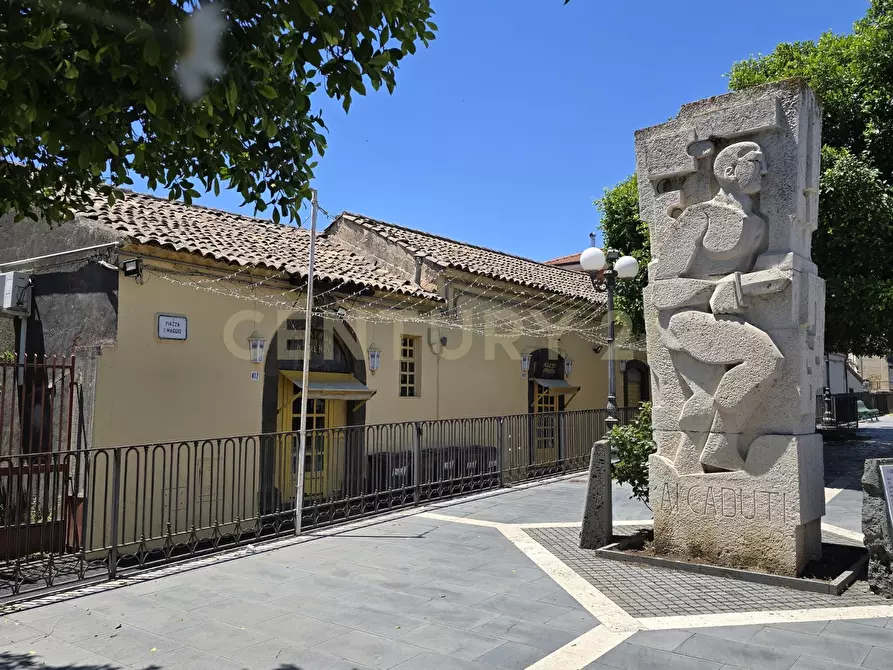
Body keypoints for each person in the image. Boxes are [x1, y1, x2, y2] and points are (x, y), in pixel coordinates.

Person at [652, 141, 786, 472]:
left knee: (759, 362)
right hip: (685, 320)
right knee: (765, 356)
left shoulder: (758, 226)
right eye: (756, 163)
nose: (765, 172)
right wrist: (716, 288)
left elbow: (754, 279)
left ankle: (710, 441)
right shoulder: (700, 216)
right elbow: (661, 292)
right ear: (728, 172)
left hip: (724, 320)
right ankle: (719, 444)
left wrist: (741, 286)